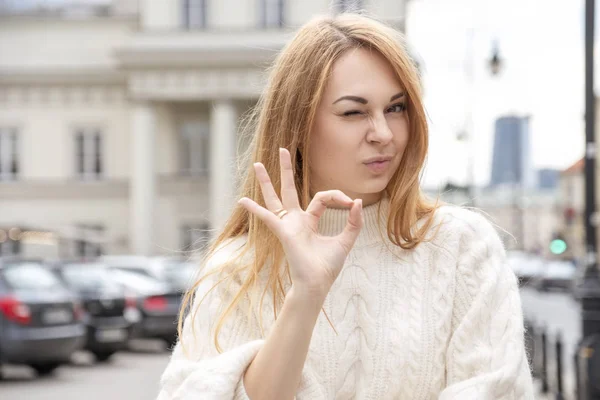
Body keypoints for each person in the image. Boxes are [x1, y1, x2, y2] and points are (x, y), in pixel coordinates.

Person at [157, 12, 534, 400]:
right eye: (354, 112)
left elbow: (497, 390)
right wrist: (306, 293)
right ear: (298, 125)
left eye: (396, 108)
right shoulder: (239, 266)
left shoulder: (462, 247)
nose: (384, 134)